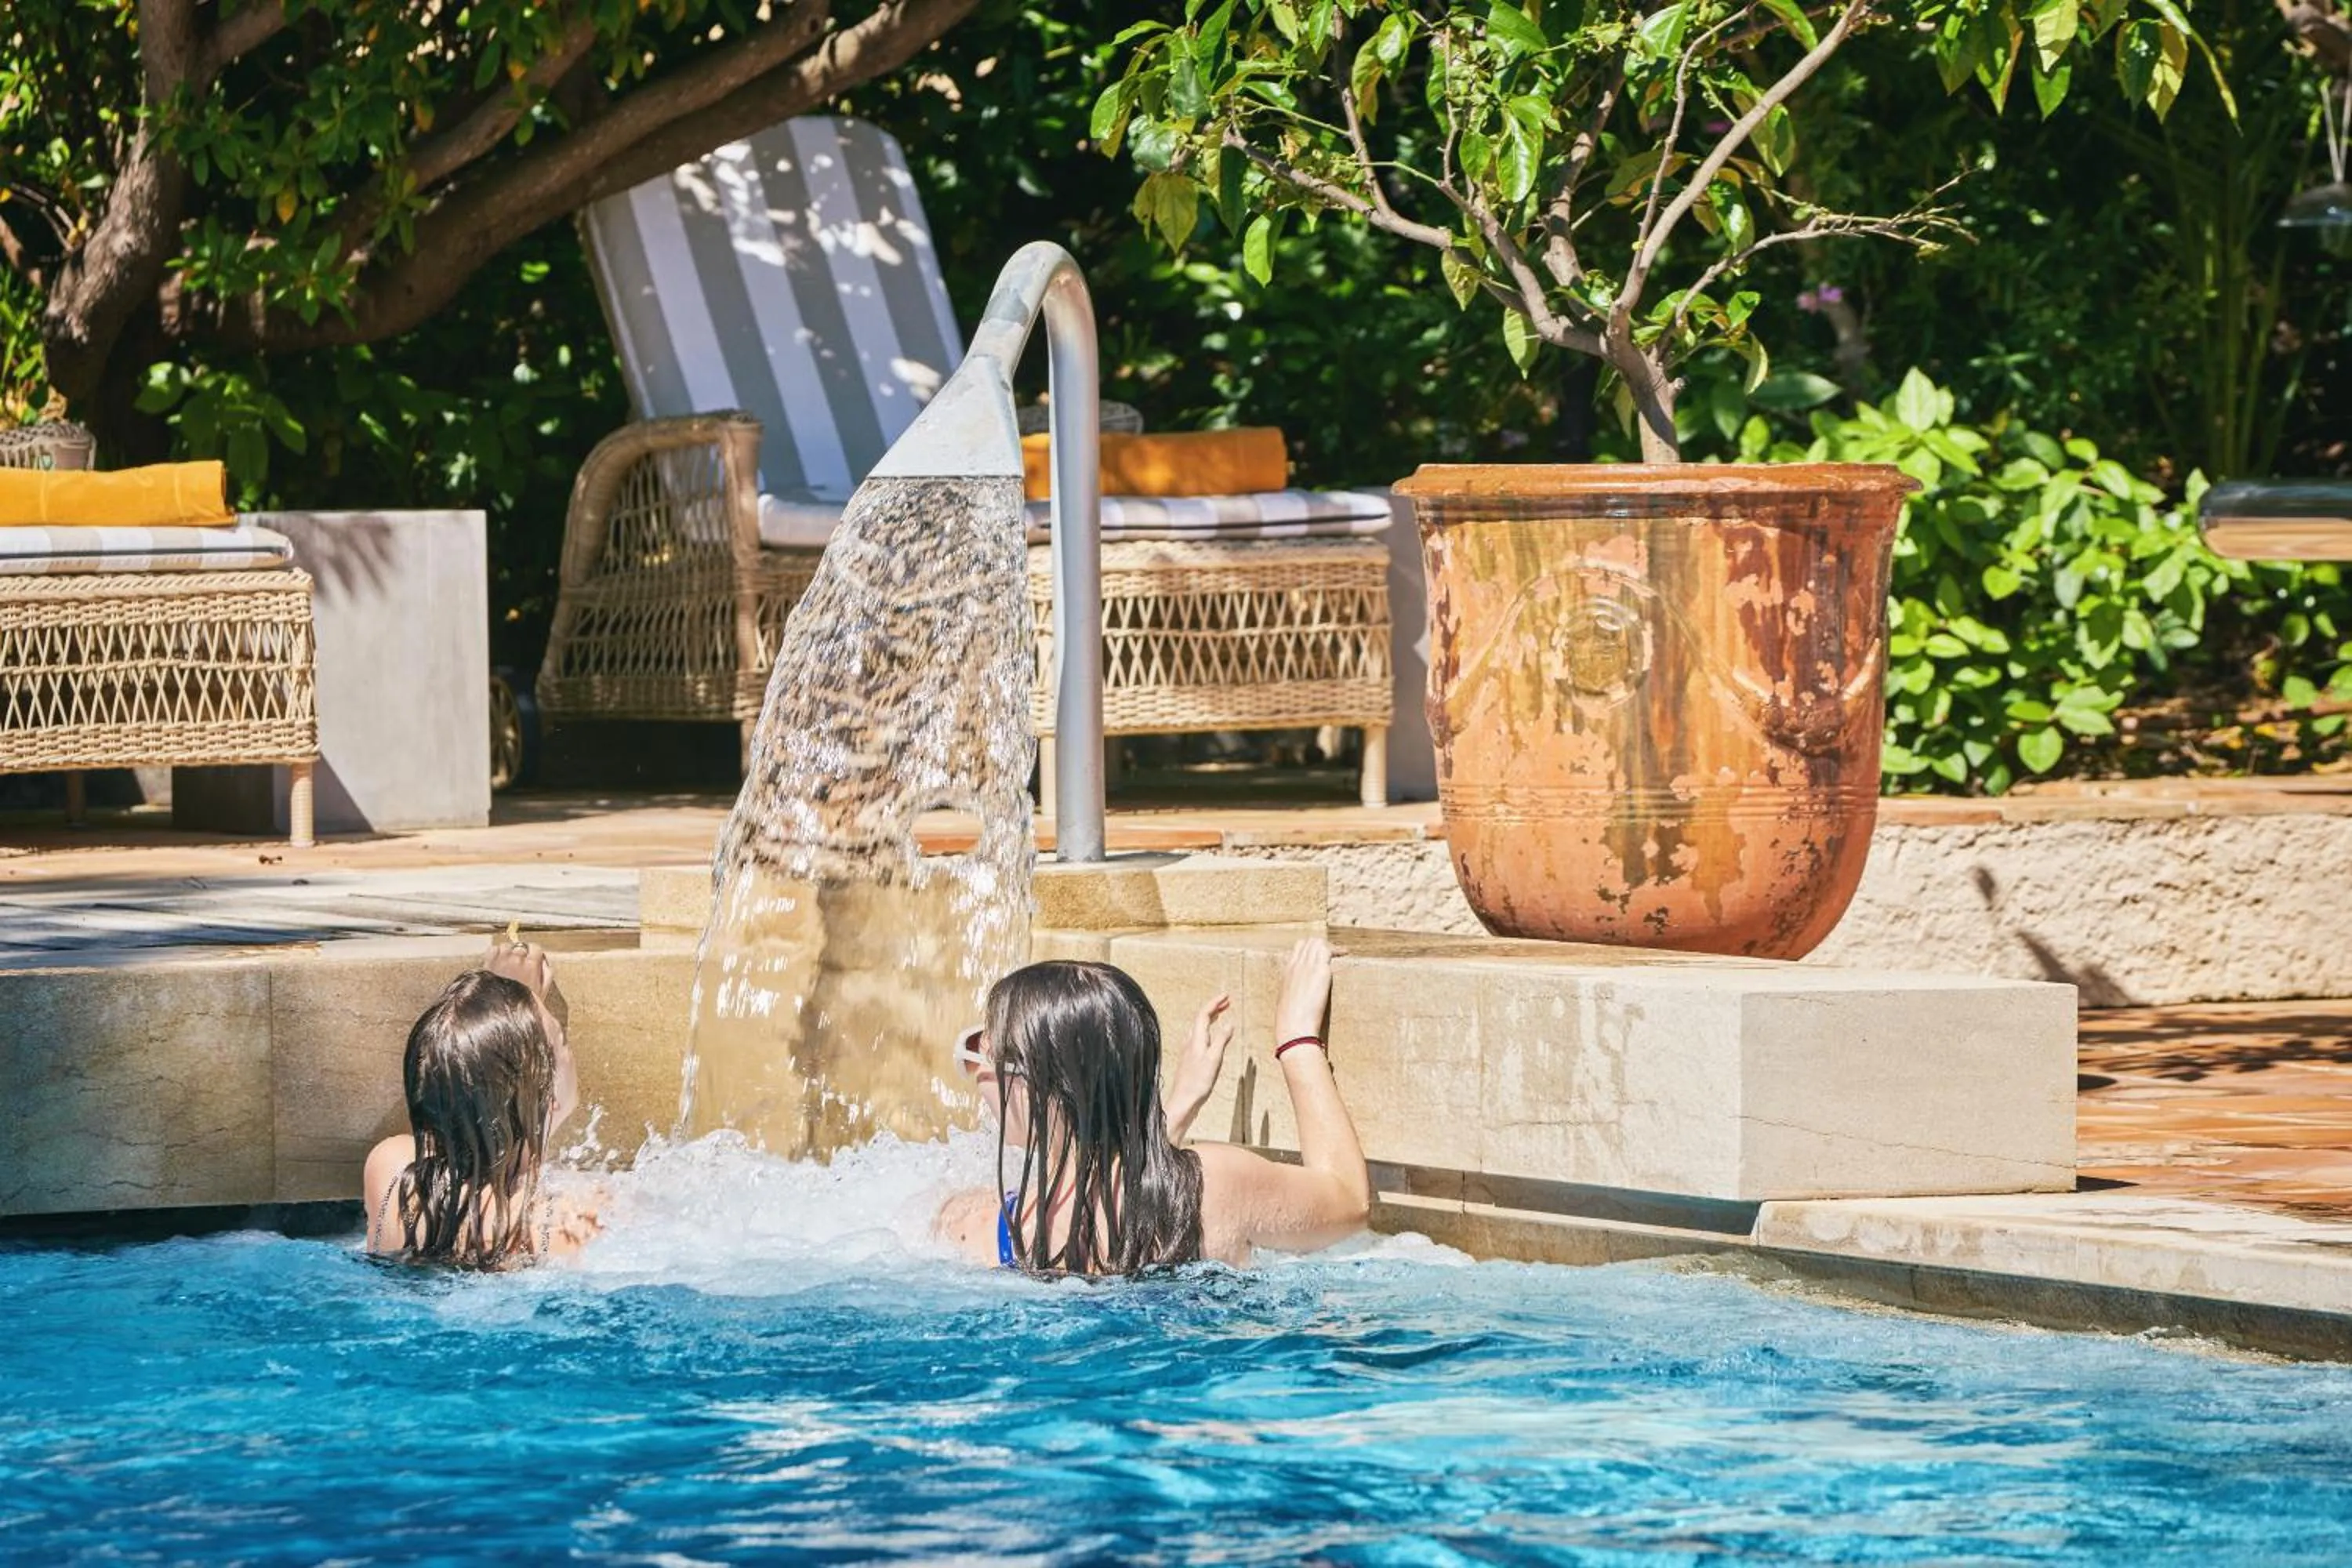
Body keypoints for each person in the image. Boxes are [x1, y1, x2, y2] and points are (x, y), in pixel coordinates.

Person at [936, 935, 1370, 1274]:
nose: (977, 1072)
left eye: (980, 1054)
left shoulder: (974, 1230)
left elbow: (1105, 1197)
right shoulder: (1214, 1186)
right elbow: (1349, 1203)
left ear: (1028, 1086)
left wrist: (1175, 1112)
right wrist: (1297, 1039)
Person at [362, 939, 599, 1268]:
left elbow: (452, 1088)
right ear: (552, 1098)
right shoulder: (571, 1220)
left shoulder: (390, 1171)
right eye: (561, 1040)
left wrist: (498, 1005)